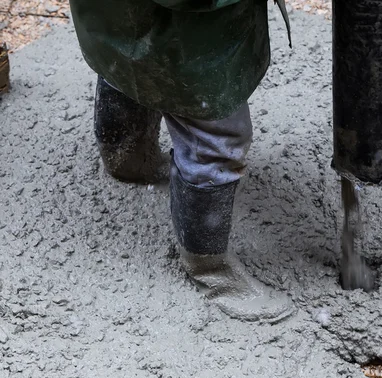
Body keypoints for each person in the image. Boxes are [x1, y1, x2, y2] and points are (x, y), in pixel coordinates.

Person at [69, 0, 294, 322]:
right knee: (216, 134)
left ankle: (129, 162)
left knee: (122, 56)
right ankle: (211, 269)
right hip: (191, 29)